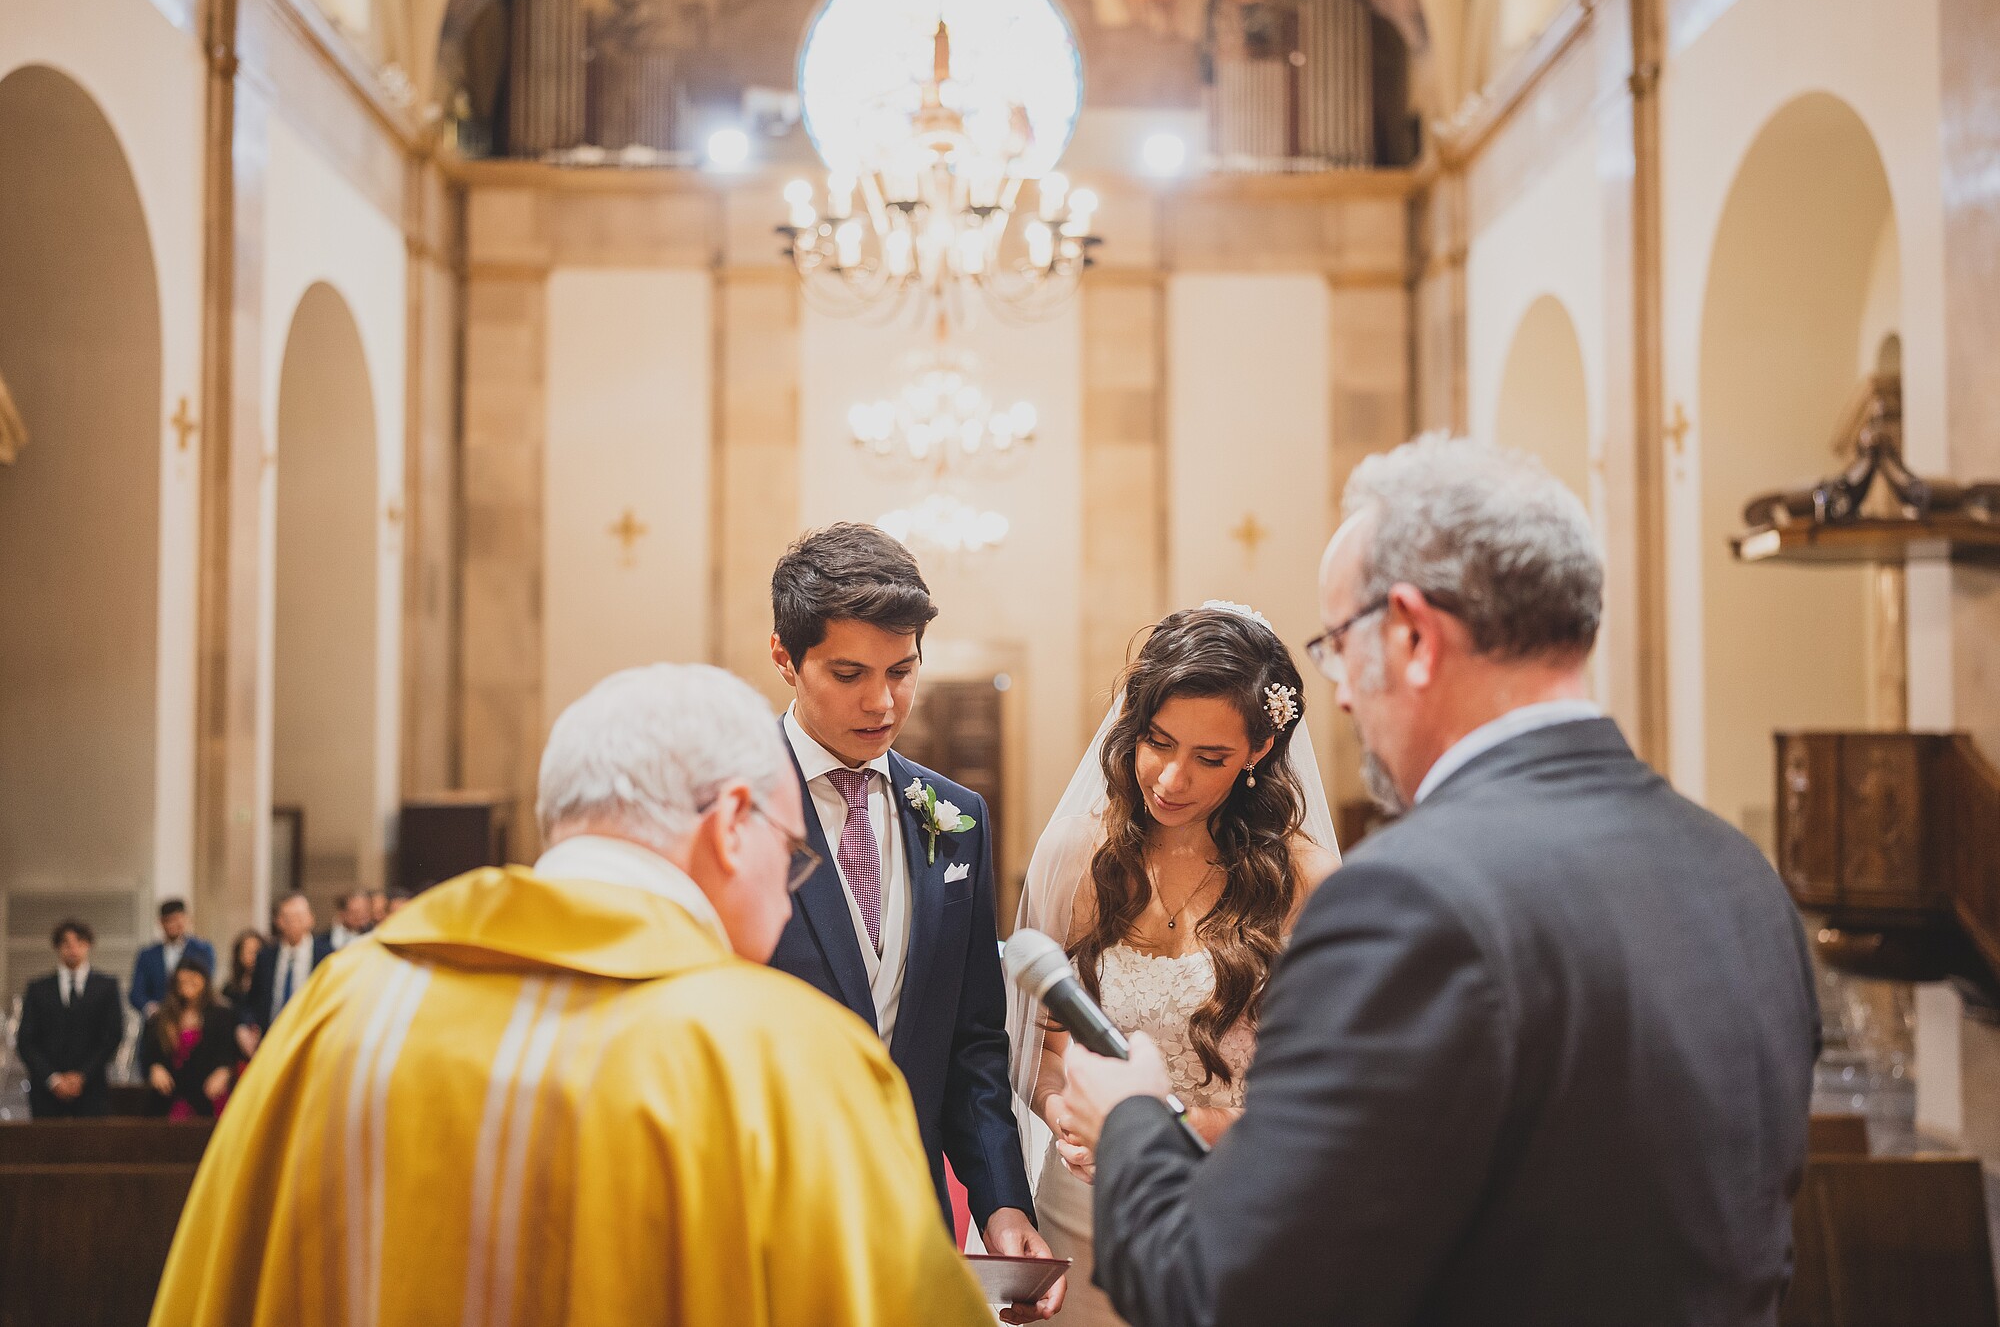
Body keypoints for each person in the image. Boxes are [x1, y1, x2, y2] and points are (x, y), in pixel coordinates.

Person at [1060, 435, 1822, 1327]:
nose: (1340, 696)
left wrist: (1133, 1122)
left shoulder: (1407, 904)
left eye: (1342, 645)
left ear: (1414, 635)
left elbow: (1224, 1289)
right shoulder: (1738, 875)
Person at [152, 664, 992, 1326]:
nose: (786, 898)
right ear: (730, 825)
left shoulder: (336, 1009)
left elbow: (211, 1290)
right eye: (791, 852)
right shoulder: (783, 1056)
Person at [1009, 603, 1340, 1325]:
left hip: (1229, 1213)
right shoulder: (1079, 856)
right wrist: (1064, 1111)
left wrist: (1187, 1124)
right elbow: (1039, 1038)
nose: (1171, 777)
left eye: (1210, 758)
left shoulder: (1306, 883)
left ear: (1258, 751)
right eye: (1158, 742)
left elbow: (1328, 1094)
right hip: (1082, 1209)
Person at [763, 524, 1059, 1322]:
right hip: (767, 1228)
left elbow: (969, 1040)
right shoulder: (734, 811)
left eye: (902, 670)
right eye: (848, 673)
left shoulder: (956, 818)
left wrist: (1003, 1202)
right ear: (786, 659)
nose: (882, 701)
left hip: (918, 1228)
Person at [15, 920, 124, 1118]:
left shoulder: (106, 986)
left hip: (91, 1088)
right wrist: (53, 1078)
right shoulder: (38, 988)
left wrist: (82, 1076)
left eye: (79, 942)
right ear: (58, 947)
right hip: (46, 1090)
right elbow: (26, 1040)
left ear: (88, 945)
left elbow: (112, 1035)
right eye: (66, 943)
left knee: (91, 1146)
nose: (73, 948)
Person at [140, 956, 237, 1119]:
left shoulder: (222, 1015)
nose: (188, 983)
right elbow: (147, 1054)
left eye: (194, 978)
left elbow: (229, 1052)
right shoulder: (159, 1017)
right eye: (183, 979)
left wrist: (224, 1071)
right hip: (168, 1098)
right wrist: (154, 1068)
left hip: (208, 1099)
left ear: (204, 981)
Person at [237, 892, 330, 1056]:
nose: (295, 923)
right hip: (271, 1042)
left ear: (310, 919)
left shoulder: (326, 956)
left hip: (311, 1043)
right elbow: (252, 1000)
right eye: (289, 918)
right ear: (279, 922)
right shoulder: (266, 957)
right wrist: (244, 1026)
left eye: (300, 917)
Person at [129, 899, 217, 1018]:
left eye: (177, 919)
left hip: (195, 1018)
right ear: (161, 922)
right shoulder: (147, 955)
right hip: (159, 1018)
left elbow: (207, 983)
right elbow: (136, 993)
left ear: (186, 919)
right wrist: (152, 1009)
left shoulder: (202, 950)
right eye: (168, 920)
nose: (172, 925)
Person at [220, 929, 263, 1009]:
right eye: (248, 951)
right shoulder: (230, 989)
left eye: (256, 951)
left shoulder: (269, 986)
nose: (253, 956)